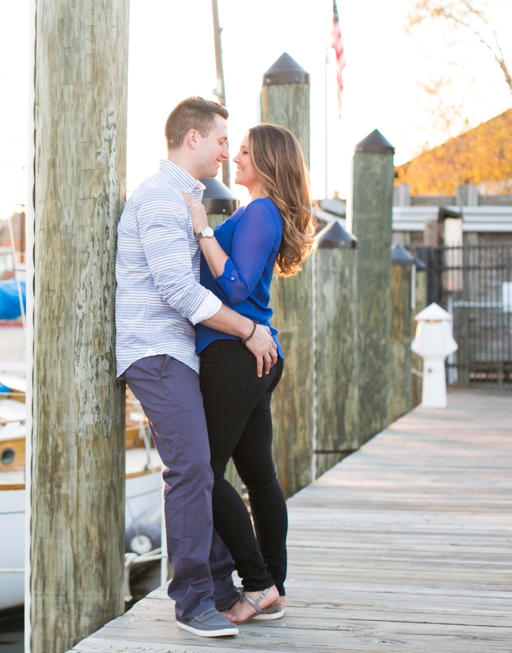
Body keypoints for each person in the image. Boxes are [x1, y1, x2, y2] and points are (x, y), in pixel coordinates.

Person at [115, 97, 279, 638]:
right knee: (191, 469)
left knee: (202, 469)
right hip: (155, 351)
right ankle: (193, 602)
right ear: (193, 139)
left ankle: (223, 587)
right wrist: (248, 329)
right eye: (221, 141)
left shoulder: (186, 197)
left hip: (179, 351)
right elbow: (179, 290)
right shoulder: (162, 198)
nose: (227, 152)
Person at [182, 123, 315, 624]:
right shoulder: (255, 211)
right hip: (251, 357)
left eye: (242, 153)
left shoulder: (261, 211)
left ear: (265, 161)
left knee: (203, 473)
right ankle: (273, 587)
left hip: (234, 357)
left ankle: (259, 583)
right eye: (232, 150)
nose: (233, 159)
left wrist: (200, 225)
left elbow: (235, 289)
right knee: (259, 477)